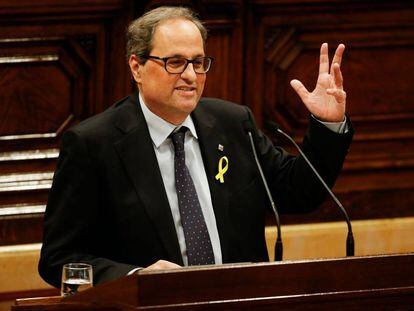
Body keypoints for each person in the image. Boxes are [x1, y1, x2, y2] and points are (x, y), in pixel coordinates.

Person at [39, 6, 353, 288]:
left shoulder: (232, 123)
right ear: (136, 67)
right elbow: (59, 261)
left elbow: (301, 191)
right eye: (175, 63)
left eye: (199, 63)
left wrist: (327, 125)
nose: (190, 76)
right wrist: (134, 278)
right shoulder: (94, 144)